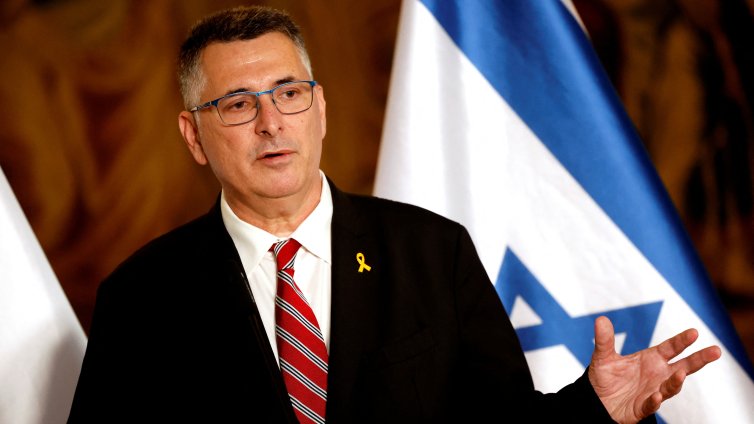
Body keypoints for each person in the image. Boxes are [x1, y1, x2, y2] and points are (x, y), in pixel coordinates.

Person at [67, 5, 721, 424]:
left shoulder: (431, 251)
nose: (271, 123)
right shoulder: (141, 296)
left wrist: (593, 408)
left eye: (289, 93)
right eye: (238, 104)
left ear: (319, 108)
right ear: (193, 136)